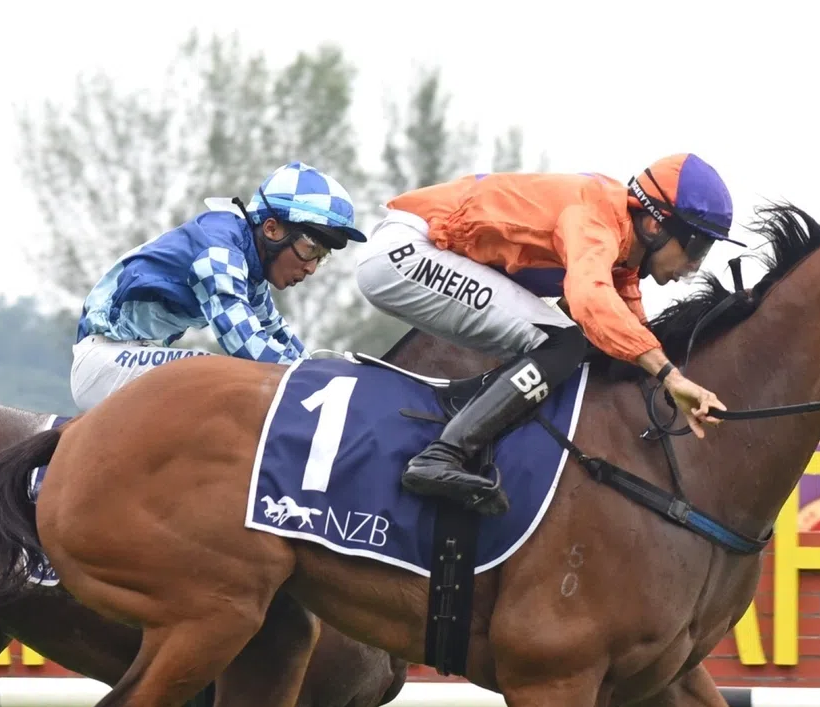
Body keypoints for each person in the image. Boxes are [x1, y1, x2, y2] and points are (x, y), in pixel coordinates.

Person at [355, 154, 745, 515]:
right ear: (654, 223)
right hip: (407, 251)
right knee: (562, 341)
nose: (694, 264)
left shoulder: (623, 249)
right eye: (696, 245)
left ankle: (466, 424)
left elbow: (628, 327)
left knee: (574, 341)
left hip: (421, 251)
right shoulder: (594, 217)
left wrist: (673, 378)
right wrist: (669, 375)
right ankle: (441, 456)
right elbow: (590, 300)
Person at [70, 161, 366, 411]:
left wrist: (326, 380)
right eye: (310, 249)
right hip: (104, 361)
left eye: (322, 258)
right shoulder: (218, 250)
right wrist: (316, 388)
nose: (311, 268)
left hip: (135, 355)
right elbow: (246, 345)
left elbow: (279, 337)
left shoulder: (249, 266)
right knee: (220, 374)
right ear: (272, 228)